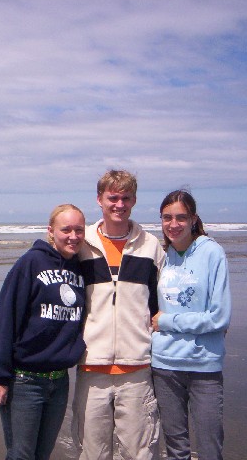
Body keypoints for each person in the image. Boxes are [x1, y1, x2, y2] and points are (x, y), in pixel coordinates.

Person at [71, 169, 165, 460]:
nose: (119, 205)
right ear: (99, 199)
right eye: (113, 198)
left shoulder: (150, 246)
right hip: (91, 367)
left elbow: (163, 300)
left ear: (134, 200)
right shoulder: (81, 244)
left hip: (137, 369)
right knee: (92, 453)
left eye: (126, 198)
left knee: (139, 453)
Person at [0, 204, 87, 460]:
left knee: (42, 455)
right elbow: (5, 318)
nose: (73, 236)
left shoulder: (80, 268)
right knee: (21, 455)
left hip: (59, 381)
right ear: (51, 231)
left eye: (79, 230)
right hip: (25, 381)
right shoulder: (30, 263)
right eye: (66, 230)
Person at [151, 190, 232, 460]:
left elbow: (219, 317)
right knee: (176, 448)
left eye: (181, 217)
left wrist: (167, 321)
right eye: (167, 217)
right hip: (165, 364)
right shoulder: (163, 257)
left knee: (210, 446)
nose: (173, 224)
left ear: (193, 219)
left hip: (203, 365)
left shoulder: (212, 252)